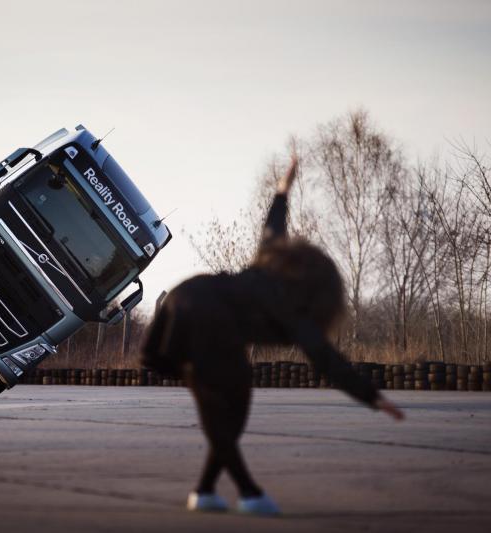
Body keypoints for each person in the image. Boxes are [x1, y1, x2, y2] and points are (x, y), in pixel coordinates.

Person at [141, 157, 404, 516]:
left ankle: (204, 491)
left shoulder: (268, 262)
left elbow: (273, 227)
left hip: (186, 294)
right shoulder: (293, 306)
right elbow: (325, 359)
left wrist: (283, 189)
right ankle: (249, 494)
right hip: (209, 317)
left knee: (230, 408)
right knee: (223, 407)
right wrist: (372, 397)